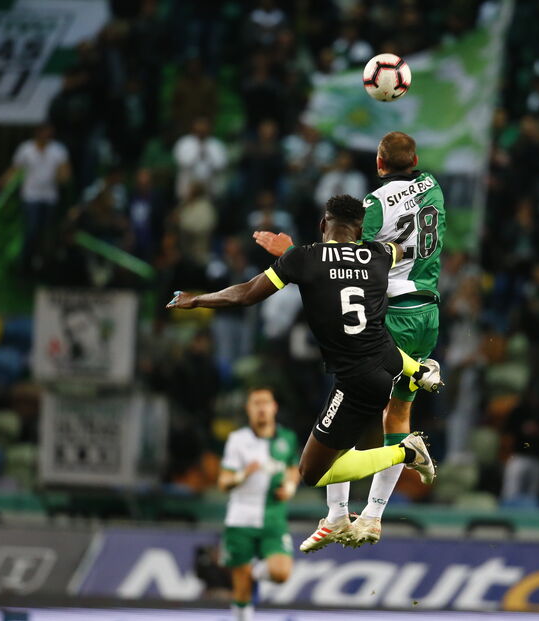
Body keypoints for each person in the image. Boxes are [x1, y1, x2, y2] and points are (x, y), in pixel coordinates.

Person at [169, 194, 441, 508]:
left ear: (323, 224)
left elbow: (245, 295)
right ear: (360, 230)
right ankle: (419, 370)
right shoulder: (378, 254)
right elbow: (401, 249)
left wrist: (198, 299)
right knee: (374, 336)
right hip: (386, 360)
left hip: (356, 382)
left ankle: (408, 451)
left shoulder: (303, 259)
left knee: (311, 472)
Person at [254, 131, 445, 550]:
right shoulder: (433, 187)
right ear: (414, 160)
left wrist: (291, 252)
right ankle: (372, 517)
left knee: (349, 409)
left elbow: (343, 250)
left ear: (379, 164)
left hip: (388, 313)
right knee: (396, 417)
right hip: (427, 312)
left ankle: (339, 516)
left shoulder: (374, 205)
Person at [219, 387, 298, 621]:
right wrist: (243, 475)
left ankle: (253, 572)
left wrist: (290, 487)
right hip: (241, 519)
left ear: (274, 407)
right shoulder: (238, 440)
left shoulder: (287, 439)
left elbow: (294, 469)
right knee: (241, 591)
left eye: (266, 403)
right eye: (256, 403)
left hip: (274, 518)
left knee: (281, 573)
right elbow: (223, 482)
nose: (261, 408)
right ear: (248, 409)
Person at [0, 124, 71, 270]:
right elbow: (15, 169)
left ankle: (44, 263)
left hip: (50, 197)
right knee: (31, 229)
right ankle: (26, 261)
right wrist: (2, 182)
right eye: (45, 131)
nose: (47, 134)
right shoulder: (26, 149)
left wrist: (62, 175)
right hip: (30, 196)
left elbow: (65, 174)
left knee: (46, 232)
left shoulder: (58, 150)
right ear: (38, 132)